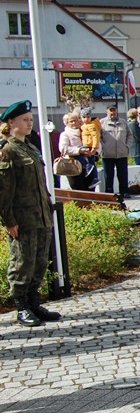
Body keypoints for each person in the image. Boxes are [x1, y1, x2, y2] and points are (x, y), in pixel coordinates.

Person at [0, 100, 61, 327]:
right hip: (23, 219)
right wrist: (9, 221)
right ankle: (21, 307)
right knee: (22, 263)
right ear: (11, 122)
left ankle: (33, 302)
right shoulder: (7, 151)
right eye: (24, 120)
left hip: (40, 216)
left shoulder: (31, 148)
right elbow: (4, 191)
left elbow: (42, 185)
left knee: (39, 262)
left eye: (30, 119)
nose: (29, 123)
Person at [58, 110, 98, 191]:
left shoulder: (84, 131)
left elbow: (95, 141)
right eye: (71, 121)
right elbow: (63, 149)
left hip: (89, 166)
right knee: (78, 189)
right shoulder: (65, 134)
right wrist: (79, 151)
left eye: (75, 120)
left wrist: (94, 151)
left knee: (91, 190)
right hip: (73, 166)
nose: (73, 123)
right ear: (66, 123)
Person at [99, 105, 130, 196]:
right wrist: (103, 147)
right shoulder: (102, 123)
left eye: (114, 110)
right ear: (107, 112)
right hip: (108, 154)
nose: (113, 112)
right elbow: (98, 137)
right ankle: (109, 193)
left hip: (122, 153)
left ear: (117, 111)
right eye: (110, 110)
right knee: (108, 176)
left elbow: (130, 135)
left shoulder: (123, 122)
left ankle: (124, 192)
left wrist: (127, 146)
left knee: (123, 175)